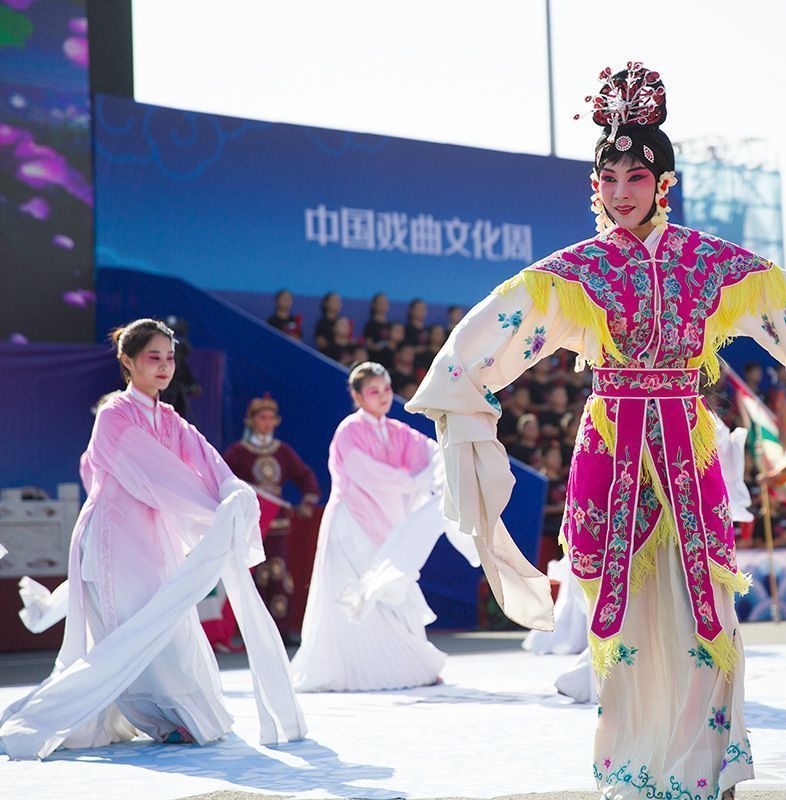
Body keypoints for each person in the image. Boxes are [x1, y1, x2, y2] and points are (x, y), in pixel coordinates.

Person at [406, 63, 786, 799]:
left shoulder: (711, 263)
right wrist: (456, 396)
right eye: (610, 178)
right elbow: (491, 331)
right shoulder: (576, 271)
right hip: (610, 448)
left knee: (712, 615)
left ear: (664, 184)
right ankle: (632, 770)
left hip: (687, 445)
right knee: (623, 624)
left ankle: (710, 768)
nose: (623, 190)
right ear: (595, 188)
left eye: (639, 176)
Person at [0, 319, 304, 759]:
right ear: (127, 361)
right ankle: (153, 718)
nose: (164, 366)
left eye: (170, 357)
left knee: (167, 626)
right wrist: (212, 510)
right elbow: (157, 477)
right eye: (153, 357)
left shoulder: (169, 418)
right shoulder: (114, 415)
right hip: (114, 537)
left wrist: (234, 492)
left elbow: (208, 460)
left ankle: (172, 718)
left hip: (153, 535)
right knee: (136, 628)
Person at [291, 363, 475, 691]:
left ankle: (412, 664)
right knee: (357, 591)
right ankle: (355, 669)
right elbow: (367, 474)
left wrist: (439, 474)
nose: (383, 396)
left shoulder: (397, 431)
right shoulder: (348, 431)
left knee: (393, 587)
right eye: (374, 391)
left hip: (387, 524)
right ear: (357, 396)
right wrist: (414, 480)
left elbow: (431, 454)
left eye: (386, 389)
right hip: (351, 524)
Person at [223, 394, 322, 640]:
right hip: (251, 524)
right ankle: (254, 633)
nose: (267, 422)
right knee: (256, 575)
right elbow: (224, 480)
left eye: (271, 418)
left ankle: (280, 631)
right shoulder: (238, 452)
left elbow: (305, 476)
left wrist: (307, 501)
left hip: (278, 523)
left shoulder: (282, 451)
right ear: (251, 421)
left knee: (278, 573)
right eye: (262, 417)